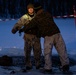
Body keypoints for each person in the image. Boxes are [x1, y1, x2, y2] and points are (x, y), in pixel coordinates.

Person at [22, 2, 70, 74]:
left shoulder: (37, 18)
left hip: (48, 36)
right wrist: (39, 33)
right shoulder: (48, 14)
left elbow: (30, 25)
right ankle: (65, 64)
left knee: (47, 52)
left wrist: (23, 29)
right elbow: (46, 25)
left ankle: (48, 68)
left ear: (35, 10)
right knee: (62, 50)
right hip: (57, 33)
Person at [11, 3, 42, 71]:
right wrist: (15, 29)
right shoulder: (25, 17)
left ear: (33, 9)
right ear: (28, 9)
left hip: (36, 36)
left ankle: (38, 64)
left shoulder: (37, 16)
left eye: (32, 8)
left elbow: (42, 24)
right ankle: (28, 64)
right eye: (29, 8)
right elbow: (19, 23)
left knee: (38, 51)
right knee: (27, 51)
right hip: (28, 36)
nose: (30, 9)